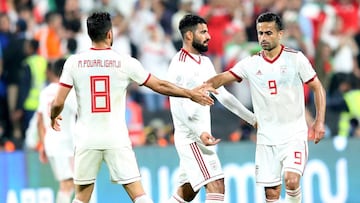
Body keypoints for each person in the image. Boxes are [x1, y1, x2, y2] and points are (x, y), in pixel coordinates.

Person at [50, 12, 216, 203]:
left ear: (90, 34)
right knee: (139, 196)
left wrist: (53, 116)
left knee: (81, 198)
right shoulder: (125, 62)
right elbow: (160, 85)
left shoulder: (74, 62)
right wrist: (190, 93)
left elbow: (58, 102)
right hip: (116, 138)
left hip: (86, 139)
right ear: (110, 34)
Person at [203, 12, 326, 203]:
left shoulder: (296, 59)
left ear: (280, 34)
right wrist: (205, 85)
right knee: (271, 194)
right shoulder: (251, 64)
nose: (263, 38)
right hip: (266, 137)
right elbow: (223, 77)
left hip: (294, 133)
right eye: (260, 33)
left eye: (268, 33)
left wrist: (319, 122)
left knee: (292, 181)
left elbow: (317, 87)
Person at [166, 14, 256, 203]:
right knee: (217, 184)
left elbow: (223, 95)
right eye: (203, 32)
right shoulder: (179, 64)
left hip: (201, 136)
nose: (209, 36)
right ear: (189, 36)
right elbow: (178, 105)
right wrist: (199, 132)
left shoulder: (204, 62)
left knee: (188, 191)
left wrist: (251, 119)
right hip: (192, 138)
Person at [37, 58, 77, 203]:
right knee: (69, 183)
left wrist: (43, 144)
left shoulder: (44, 92)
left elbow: (39, 122)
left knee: (69, 183)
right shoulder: (67, 91)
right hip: (65, 143)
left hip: (51, 143)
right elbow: (81, 112)